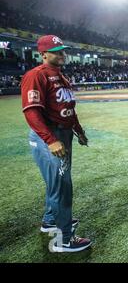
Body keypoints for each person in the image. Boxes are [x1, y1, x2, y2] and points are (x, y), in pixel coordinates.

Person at [21, 35, 91, 253]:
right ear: (43, 55)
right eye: (56, 51)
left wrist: (78, 130)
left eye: (63, 50)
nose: (62, 54)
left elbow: (69, 108)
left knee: (57, 184)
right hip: (50, 137)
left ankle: (50, 220)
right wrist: (50, 140)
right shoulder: (36, 75)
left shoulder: (61, 77)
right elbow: (32, 111)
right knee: (63, 188)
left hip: (63, 134)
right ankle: (64, 240)